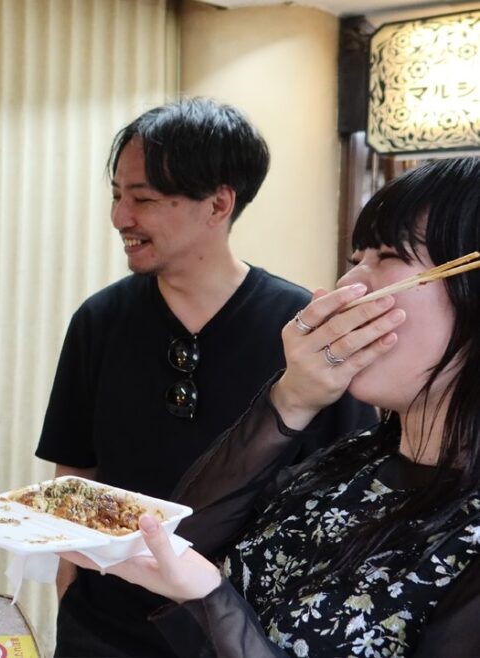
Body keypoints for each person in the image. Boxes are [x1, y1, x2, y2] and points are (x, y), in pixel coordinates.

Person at [61, 156, 480, 657]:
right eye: (356, 258)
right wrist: (292, 396)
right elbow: (188, 538)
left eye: (388, 256)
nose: (349, 286)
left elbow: (200, 580)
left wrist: (211, 598)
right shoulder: (354, 461)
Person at [34, 97, 378, 656]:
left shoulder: (305, 334)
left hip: (243, 631)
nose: (121, 217)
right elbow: (75, 467)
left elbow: (346, 492)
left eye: (142, 198)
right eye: (118, 196)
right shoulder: (99, 320)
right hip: (104, 628)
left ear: (218, 204)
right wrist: (67, 583)